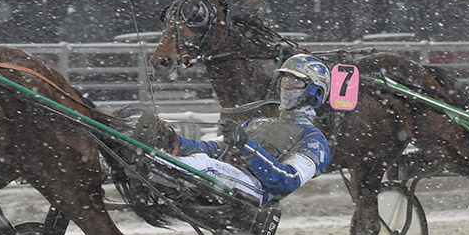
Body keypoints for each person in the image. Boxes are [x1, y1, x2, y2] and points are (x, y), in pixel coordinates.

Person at [136, 54, 333, 204]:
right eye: (284, 81)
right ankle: (138, 160)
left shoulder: (315, 141)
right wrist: (170, 139)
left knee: (205, 165)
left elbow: (287, 182)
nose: (287, 87)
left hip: (255, 191)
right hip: (227, 178)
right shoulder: (258, 123)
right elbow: (211, 148)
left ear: (314, 92)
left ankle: (148, 163)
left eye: (296, 82)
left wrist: (245, 145)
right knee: (199, 162)